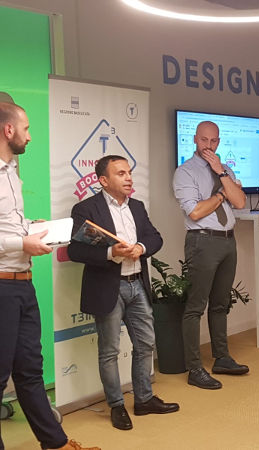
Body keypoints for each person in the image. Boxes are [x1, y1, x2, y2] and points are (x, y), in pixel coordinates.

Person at [0, 101, 98, 450]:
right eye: (26, 128)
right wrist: (21, 242)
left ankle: (55, 444)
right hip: (1, 287)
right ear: (8, 130)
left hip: (22, 284)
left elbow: (7, 224)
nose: (29, 136)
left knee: (29, 370)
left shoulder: (11, 171)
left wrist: (31, 227)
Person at [68, 155, 179, 431]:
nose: (129, 177)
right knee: (110, 351)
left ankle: (144, 400)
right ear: (103, 180)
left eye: (129, 172)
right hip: (109, 286)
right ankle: (116, 405)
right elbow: (75, 250)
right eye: (121, 173)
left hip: (137, 284)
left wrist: (141, 247)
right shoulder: (86, 208)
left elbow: (155, 237)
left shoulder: (137, 207)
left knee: (145, 344)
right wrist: (110, 252)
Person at [173, 121, 249, 391]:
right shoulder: (185, 172)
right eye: (204, 140)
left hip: (228, 240)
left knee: (220, 304)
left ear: (219, 141)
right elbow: (195, 212)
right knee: (196, 306)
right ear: (195, 139)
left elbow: (240, 202)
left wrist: (221, 174)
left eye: (214, 141)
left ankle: (222, 358)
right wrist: (220, 194)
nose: (209, 145)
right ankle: (194, 368)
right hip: (202, 241)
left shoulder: (225, 169)